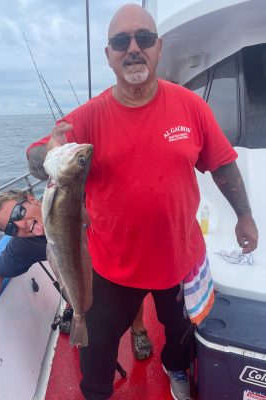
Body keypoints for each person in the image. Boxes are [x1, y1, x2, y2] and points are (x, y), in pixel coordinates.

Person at [26, 4, 258, 400]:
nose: (133, 48)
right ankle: (96, 393)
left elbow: (223, 166)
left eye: (143, 39)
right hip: (111, 269)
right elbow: (35, 157)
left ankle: (175, 369)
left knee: (183, 334)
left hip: (179, 262)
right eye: (121, 41)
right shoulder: (91, 115)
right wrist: (48, 153)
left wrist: (245, 217)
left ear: (158, 47)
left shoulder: (190, 106)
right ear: (109, 55)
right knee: (96, 351)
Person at [0, 190, 152, 361]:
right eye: (11, 229)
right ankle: (73, 304)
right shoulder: (23, 245)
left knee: (129, 286)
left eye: (18, 213)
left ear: (32, 199)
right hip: (78, 275)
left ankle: (138, 329)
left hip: (112, 260)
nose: (21, 225)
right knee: (67, 269)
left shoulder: (68, 202)